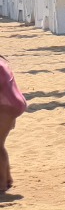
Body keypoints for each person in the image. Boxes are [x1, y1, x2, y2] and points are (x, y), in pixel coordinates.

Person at [0, 54, 29, 194]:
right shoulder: (1, 62)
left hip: (7, 104)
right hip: (13, 102)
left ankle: (1, 184)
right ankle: (7, 178)